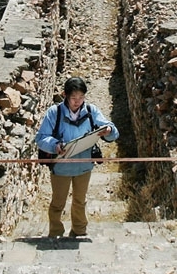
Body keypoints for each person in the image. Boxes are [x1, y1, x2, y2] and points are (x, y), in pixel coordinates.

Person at [35, 77, 119, 239]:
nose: (77, 102)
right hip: (61, 167)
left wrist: (108, 130)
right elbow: (41, 138)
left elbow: (111, 130)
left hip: (84, 165)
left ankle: (79, 231)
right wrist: (55, 146)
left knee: (80, 200)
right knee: (58, 202)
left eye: (81, 98)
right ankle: (55, 232)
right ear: (65, 95)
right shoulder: (55, 112)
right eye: (74, 98)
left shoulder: (91, 110)